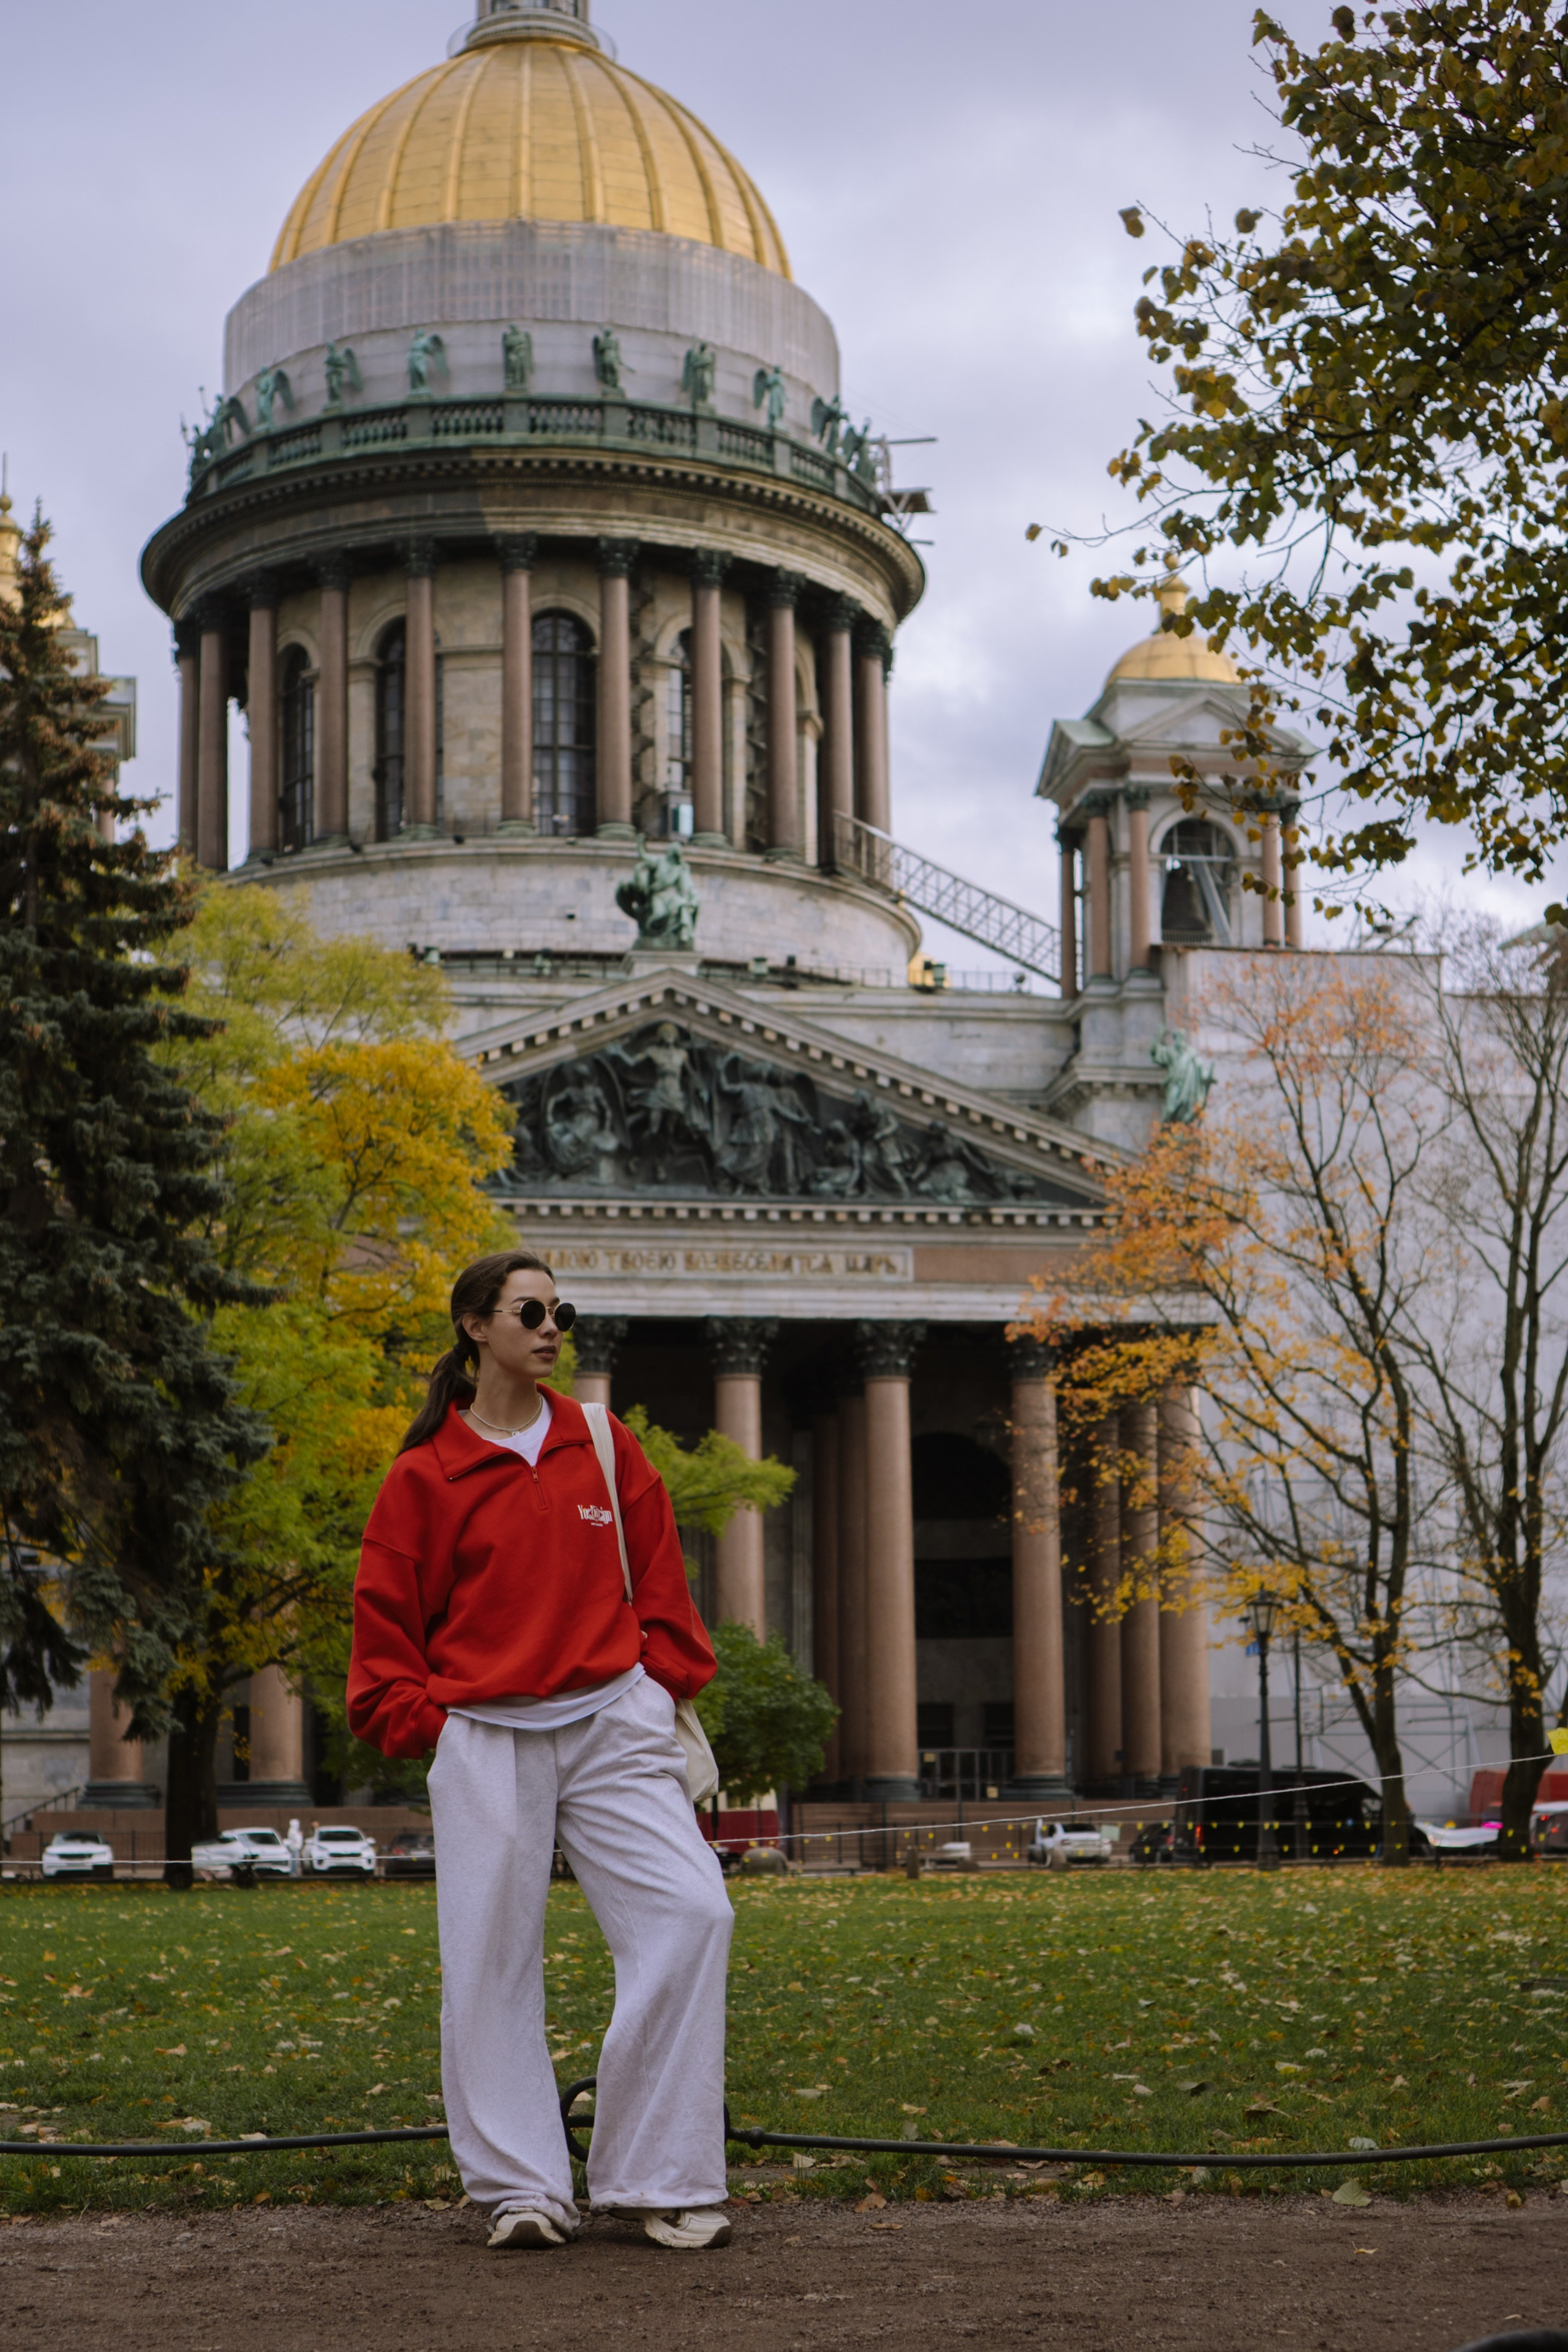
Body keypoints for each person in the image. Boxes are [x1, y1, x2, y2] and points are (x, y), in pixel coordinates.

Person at [347, 1248, 733, 2253]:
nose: (552, 1328)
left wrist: (655, 1687)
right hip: (486, 1734)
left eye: (562, 1311)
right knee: (489, 1963)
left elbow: (664, 1584)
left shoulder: (603, 1443)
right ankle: (522, 2188)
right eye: (531, 1312)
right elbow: (383, 1648)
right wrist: (442, 1728)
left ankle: (657, 2176)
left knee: (693, 1913)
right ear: (476, 1326)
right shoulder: (423, 1477)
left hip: (613, 1723)